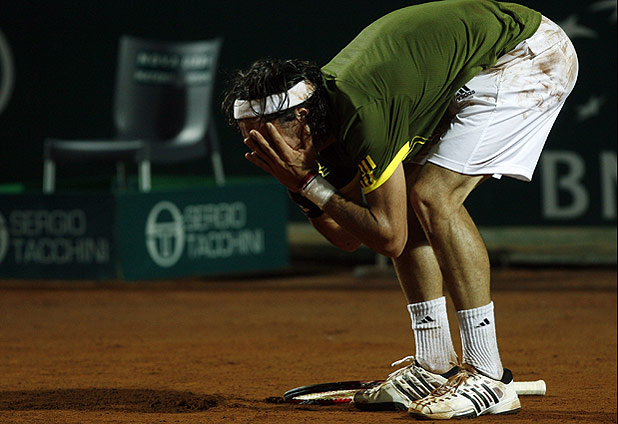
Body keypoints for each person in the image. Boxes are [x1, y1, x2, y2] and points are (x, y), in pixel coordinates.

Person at [222, 0, 578, 419]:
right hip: (469, 69)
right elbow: (347, 236)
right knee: (408, 200)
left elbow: (388, 238)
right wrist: (301, 186)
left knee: (433, 197)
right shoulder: (323, 126)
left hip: (525, 53)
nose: (261, 151)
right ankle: (434, 365)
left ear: (301, 119)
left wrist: (307, 183)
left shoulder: (361, 113)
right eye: (251, 141)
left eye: (265, 139)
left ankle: (488, 376)